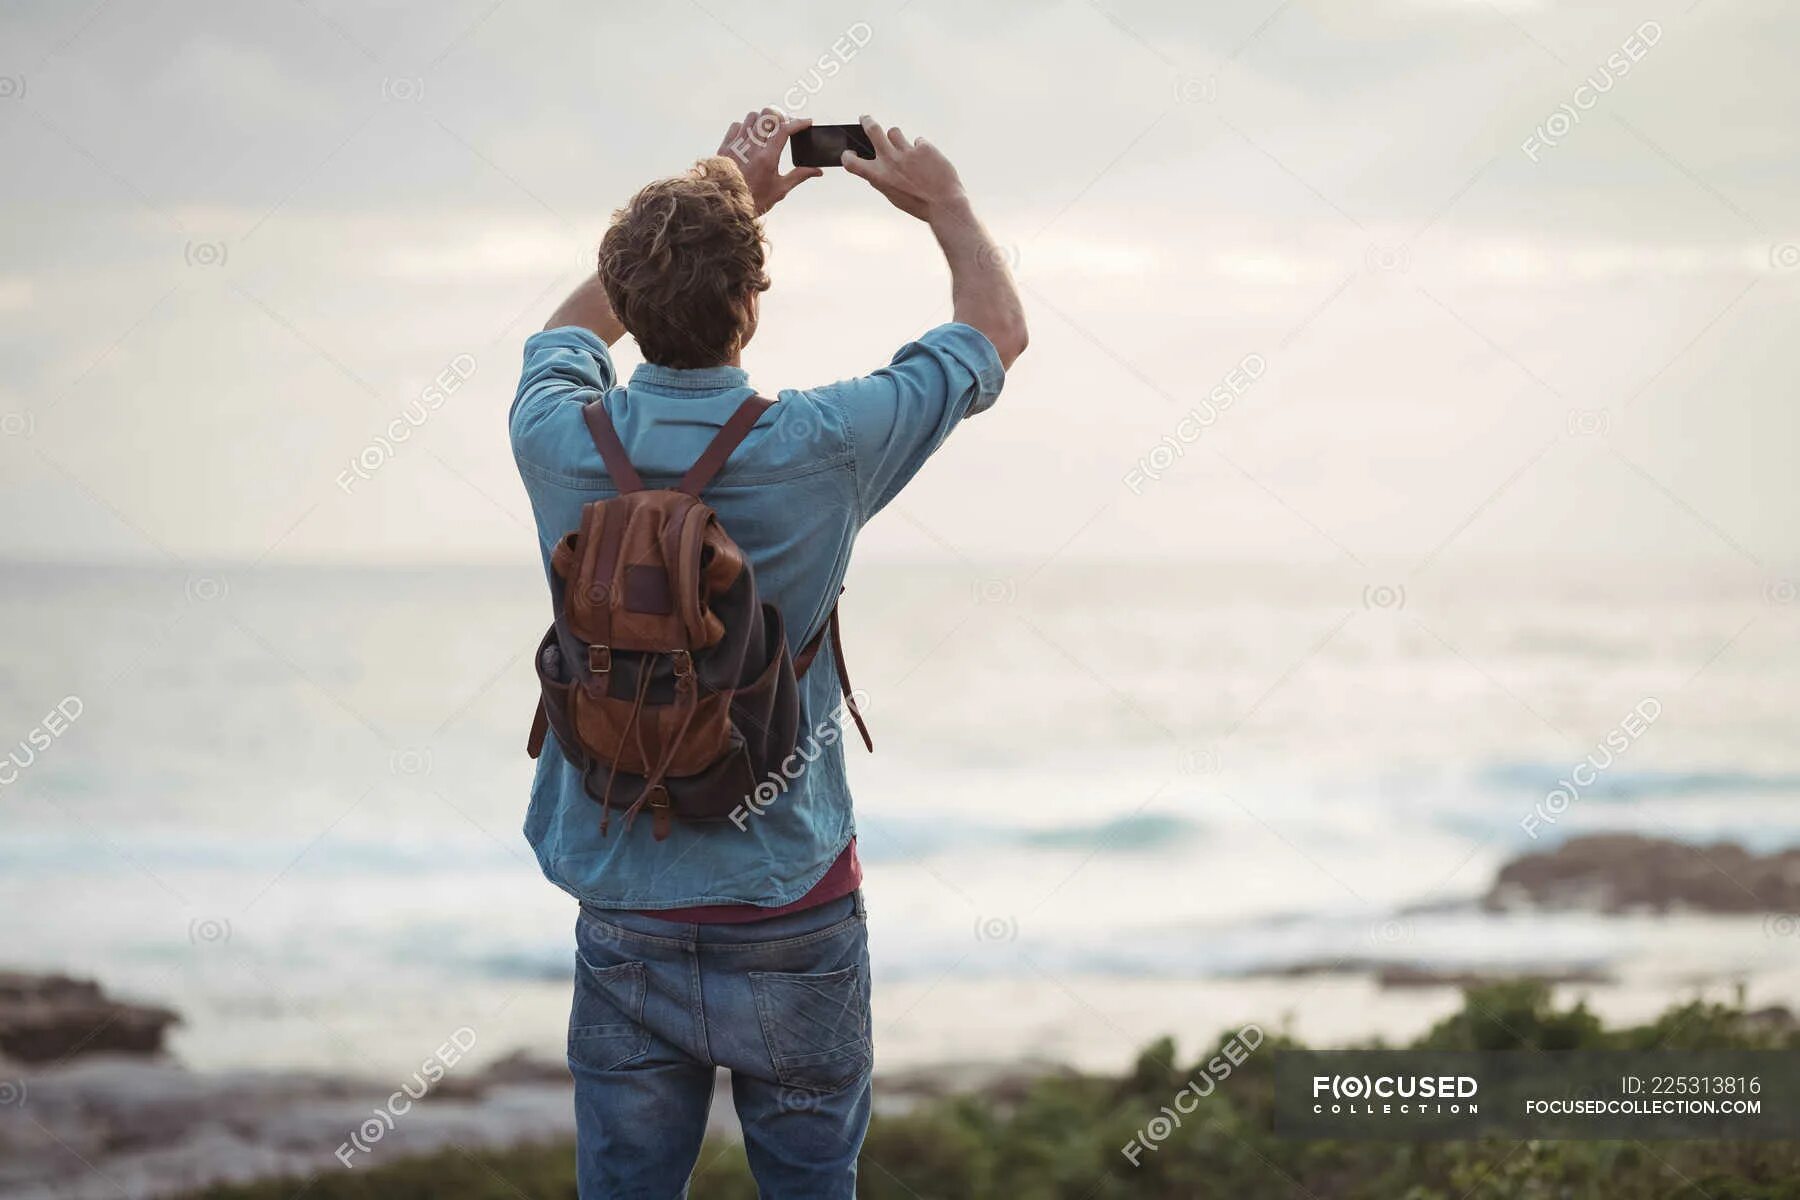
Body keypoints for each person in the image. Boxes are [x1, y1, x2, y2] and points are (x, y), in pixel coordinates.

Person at [509, 109, 1026, 1198]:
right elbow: (993, 334)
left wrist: (722, 197)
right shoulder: (826, 444)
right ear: (755, 301)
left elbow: (557, 338)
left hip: (624, 903)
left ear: (630, 295)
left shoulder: (557, 437)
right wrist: (947, 205)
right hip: (790, 900)